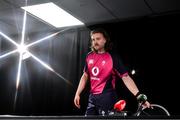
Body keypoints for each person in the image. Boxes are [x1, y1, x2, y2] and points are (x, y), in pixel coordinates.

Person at [74, 28, 150, 115]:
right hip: (92, 98)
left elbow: (125, 77)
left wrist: (138, 95)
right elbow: (85, 76)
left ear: (105, 40)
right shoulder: (89, 56)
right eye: (93, 39)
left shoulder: (113, 57)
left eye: (98, 39)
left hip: (107, 97)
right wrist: (77, 93)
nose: (95, 42)